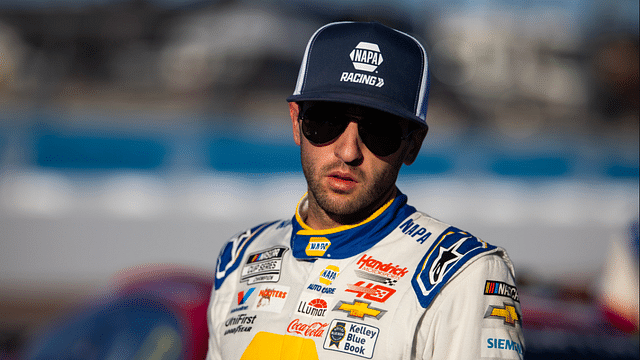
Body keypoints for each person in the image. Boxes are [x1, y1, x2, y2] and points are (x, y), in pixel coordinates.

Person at [207, 21, 525, 360]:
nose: (348, 151)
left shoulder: (463, 275)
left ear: (413, 145)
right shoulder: (239, 258)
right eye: (326, 121)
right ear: (296, 121)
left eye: (380, 130)